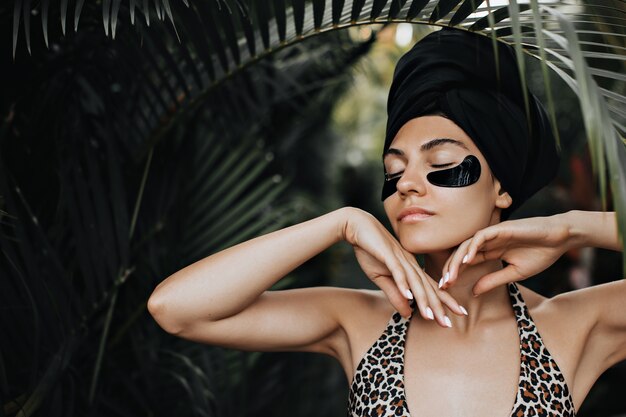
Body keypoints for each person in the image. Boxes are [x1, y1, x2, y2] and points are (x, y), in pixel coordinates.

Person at [147, 27, 624, 416]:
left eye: (440, 164)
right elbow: (176, 308)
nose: (406, 185)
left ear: (501, 187)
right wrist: (341, 223)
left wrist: (574, 228)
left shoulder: (573, 326)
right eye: (394, 172)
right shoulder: (360, 322)